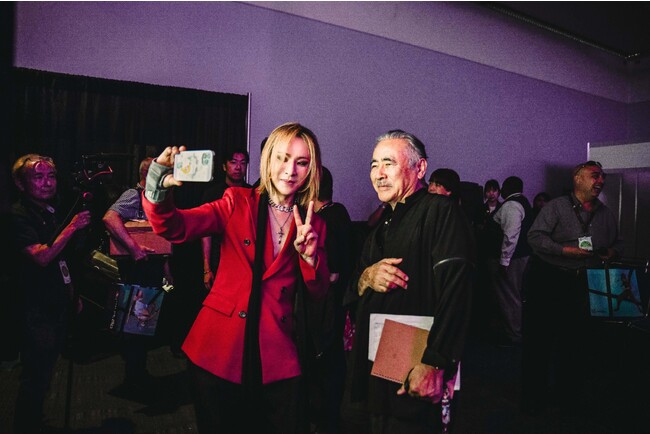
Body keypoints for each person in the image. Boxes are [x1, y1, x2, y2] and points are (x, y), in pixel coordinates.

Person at [142, 122, 330, 434]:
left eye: (301, 162)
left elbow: (319, 290)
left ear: (312, 169)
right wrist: (157, 185)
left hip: (276, 349)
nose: (290, 170)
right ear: (268, 160)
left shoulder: (314, 223)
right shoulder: (237, 201)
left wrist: (310, 258)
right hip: (220, 347)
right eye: (282, 158)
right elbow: (174, 227)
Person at [345, 130, 475, 434]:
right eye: (374, 165)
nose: (379, 173)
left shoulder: (440, 212)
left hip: (417, 364)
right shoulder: (382, 226)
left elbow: (457, 290)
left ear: (420, 168)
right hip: (377, 364)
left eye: (388, 163)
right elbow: (353, 287)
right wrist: (365, 278)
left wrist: (435, 362)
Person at [523, 160, 623, 414]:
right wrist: (564, 251)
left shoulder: (605, 213)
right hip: (551, 279)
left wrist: (612, 252)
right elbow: (534, 237)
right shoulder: (556, 207)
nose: (601, 181)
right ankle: (534, 399)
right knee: (540, 341)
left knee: (575, 342)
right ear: (577, 178)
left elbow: (619, 243)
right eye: (595, 175)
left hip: (585, 282)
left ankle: (567, 397)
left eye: (602, 177)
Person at [10, 154, 92, 434]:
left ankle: (35, 422)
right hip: (35, 307)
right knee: (35, 374)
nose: (47, 183)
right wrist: (72, 227)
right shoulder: (18, 215)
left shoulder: (50, 210)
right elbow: (42, 257)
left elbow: (62, 261)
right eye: (38, 177)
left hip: (56, 302)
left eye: (51, 176)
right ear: (20, 183)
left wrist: (71, 294)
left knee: (46, 372)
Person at [103, 157, 170, 393]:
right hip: (136, 270)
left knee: (143, 324)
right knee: (134, 325)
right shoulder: (134, 195)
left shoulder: (156, 198)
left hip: (152, 270)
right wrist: (133, 248)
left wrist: (166, 270)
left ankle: (138, 374)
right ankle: (133, 380)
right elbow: (109, 218)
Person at [307, 166, 353, 434]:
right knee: (331, 359)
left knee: (327, 360)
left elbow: (333, 272)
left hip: (327, 303)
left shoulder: (327, 218)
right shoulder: (338, 212)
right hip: (335, 302)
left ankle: (326, 420)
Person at [488, 176, 533, 346]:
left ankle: (513, 335)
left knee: (509, 297)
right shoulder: (524, 202)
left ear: (508, 187)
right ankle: (513, 332)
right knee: (513, 295)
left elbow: (510, 235)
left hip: (512, 260)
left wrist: (504, 261)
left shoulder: (511, 205)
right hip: (521, 257)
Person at [201, 149, 251, 290]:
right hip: (219, 258)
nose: (238, 167)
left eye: (242, 163)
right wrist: (207, 268)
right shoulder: (212, 194)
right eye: (233, 162)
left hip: (245, 261)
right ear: (224, 166)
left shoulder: (252, 193)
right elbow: (206, 234)